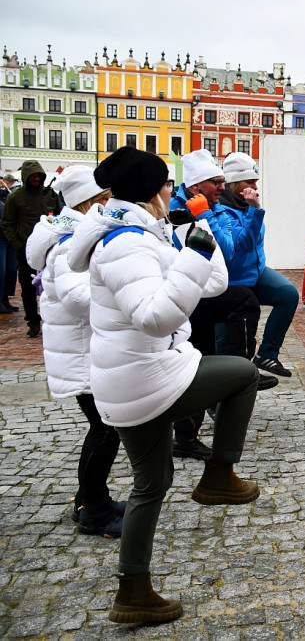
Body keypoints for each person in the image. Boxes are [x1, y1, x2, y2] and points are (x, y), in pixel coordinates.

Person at [67, 146, 261, 624]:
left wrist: (197, 235)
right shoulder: (126, 244)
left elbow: (211, 284)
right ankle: (219, 475)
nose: (174, 191)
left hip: (136, 380)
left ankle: (132, 594)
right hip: (147, 377)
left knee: (151, 486)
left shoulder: (139, 234)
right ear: (155, 190)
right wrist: (190, 253)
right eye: (169, 185)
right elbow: (155, 317)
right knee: (243, 373)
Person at [25, 166, 124, 538]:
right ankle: (94, 511)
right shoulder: (69, 242)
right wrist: (121, 292)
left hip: (84, 349)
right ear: (91, 204)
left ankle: (89, 500)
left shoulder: (72, 235)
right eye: (106, 200)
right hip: (83, 354)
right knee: (105, 430)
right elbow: (78, 296)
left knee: (104, 429)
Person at [169, 152, 272, 461]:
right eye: (216, 182)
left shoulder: (215, 208)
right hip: (185, 296)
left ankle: (186, 435)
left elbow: (228, 250)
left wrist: (246, 212)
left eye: (222, 182)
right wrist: (198, 217)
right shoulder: (175, 209)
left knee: (198, 361)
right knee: (244, 302)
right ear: (196, 185)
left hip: (203, 291)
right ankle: (240, 372)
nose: (221, 188)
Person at [217, 152, 300, 380]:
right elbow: (242, 245)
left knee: (288, 294)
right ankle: (231, 384)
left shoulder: (247, 207)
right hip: (233, 281)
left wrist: (253, 210)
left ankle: (267, 354)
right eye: (250, 182)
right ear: (234, 184)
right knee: (229, 342)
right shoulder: (223, 211)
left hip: (257, 273)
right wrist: (255, 210)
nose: (255, 186)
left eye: (256, 181)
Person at [1, 160, 60, 336]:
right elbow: (7, 223)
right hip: (25, 249)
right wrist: (18, 245)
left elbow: (59, 218)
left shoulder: (50, 195)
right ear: (26, 177)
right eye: (32, 175)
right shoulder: (15, 197)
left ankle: (52, 320)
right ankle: (33, 322)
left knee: (51, 285)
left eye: (38, 175)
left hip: (49, 249)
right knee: (27, 287)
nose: (36, 178)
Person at [0, 176, 19, 312]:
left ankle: (6, 298)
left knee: (11, 269)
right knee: (1, 270)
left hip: (10, 236)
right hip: (0, 236)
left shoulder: (8, 194)